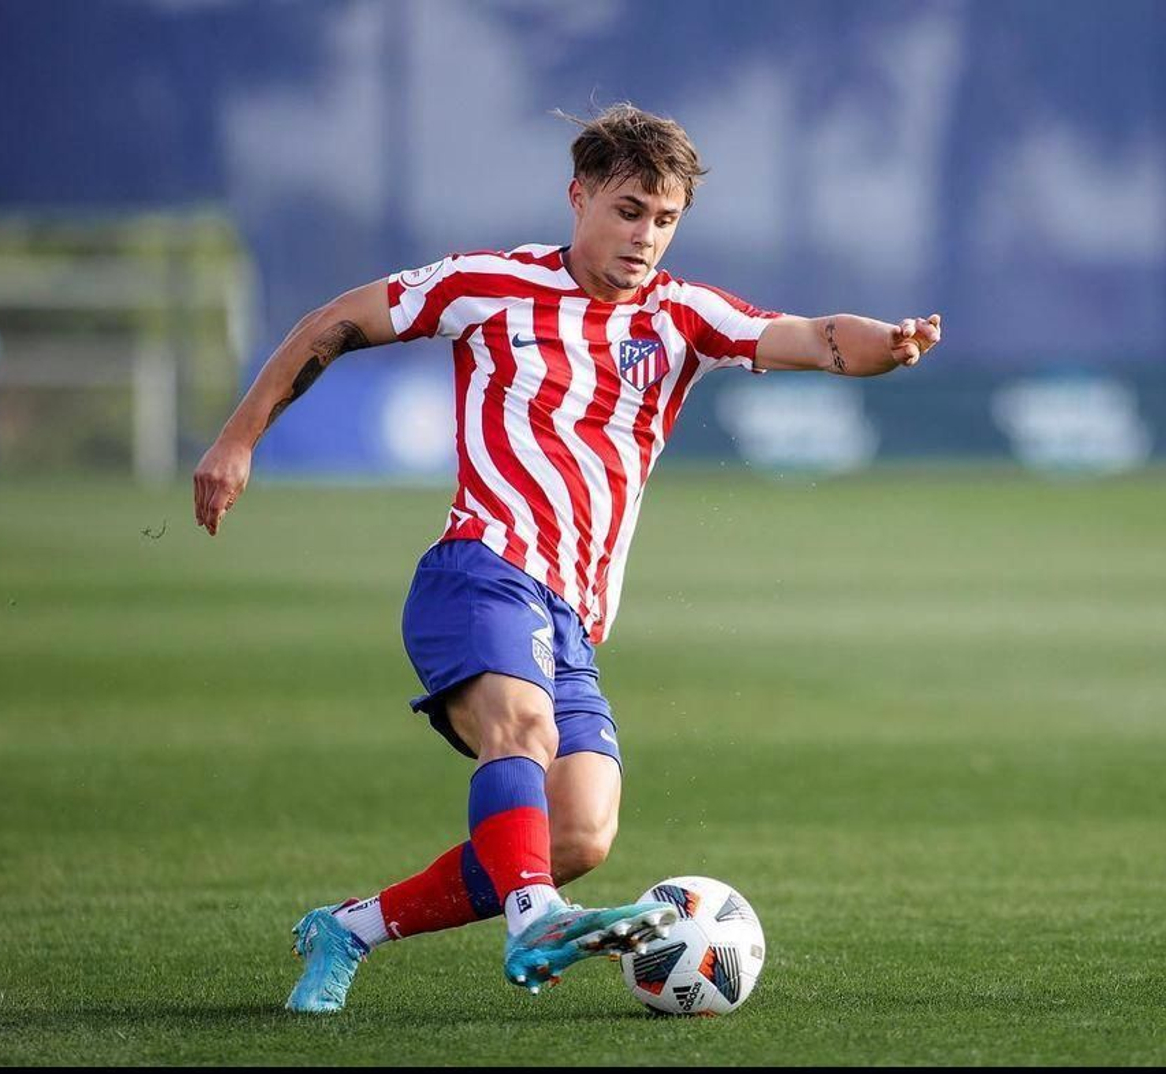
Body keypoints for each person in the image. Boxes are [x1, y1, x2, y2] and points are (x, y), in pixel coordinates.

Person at [192, 103, 942, 1014]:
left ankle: (350, 930)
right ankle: (534, 918)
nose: (645, 237)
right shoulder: (487, 284)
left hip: (573, 617)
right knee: (523, 733)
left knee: (578, 831)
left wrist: (888, 346)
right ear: (578, 196)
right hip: (479, 569)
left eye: (664, 220)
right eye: (628, 210)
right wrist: (238, 439)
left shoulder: (685, 317)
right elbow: (333, 323)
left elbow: (819, 339)